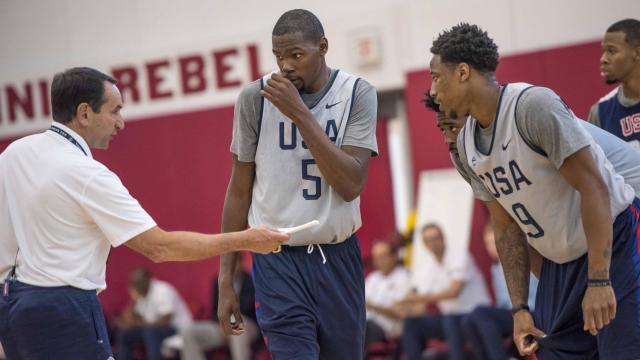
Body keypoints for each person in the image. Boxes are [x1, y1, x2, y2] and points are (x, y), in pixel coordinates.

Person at [0, 67, 288, 360]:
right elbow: (160, 247)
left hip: (11, 307)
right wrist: (246, 239)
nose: (121, 123)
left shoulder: (14, 153)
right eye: (115, 111)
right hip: (62, 307)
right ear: (84, 113)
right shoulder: (86, 173)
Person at [429, 23, 640, 359]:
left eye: (437, 76)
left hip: (612, 236)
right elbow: (507, 228)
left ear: (463, 72)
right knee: (554, 351)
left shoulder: (532, 106)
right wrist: (520, 308)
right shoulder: (465, 145)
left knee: (621, 351)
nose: (433, 89)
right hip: (561, 258)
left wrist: (599, 280)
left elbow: (594, 188)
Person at [218, 9, 378, 359]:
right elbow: (239, 190)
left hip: (337, 257)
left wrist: (301, 115)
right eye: (279, 56)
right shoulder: (254, 99)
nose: (286, 66)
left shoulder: (358, 93)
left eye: (296, 55)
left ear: (322, 47)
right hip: (277, 262)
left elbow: (351, 184)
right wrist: (226, 278)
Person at [398, 223, 490, 360]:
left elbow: (454, 292)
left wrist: (415, 298)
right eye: (428, 240)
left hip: (474, 313)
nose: (433, 243)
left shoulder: (459, 255)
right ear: (424, 244)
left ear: (443, 238)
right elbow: (422, 305)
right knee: (411, 323)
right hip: (449, 318)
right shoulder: (428, 267)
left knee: (449, 321)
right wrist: (403, 309)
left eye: (436, 238)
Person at [462, 224, 538, 360]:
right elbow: (502, 302)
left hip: (529, 312)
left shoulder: (522, 261)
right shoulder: (496, 268)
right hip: (510, 314)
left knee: (480, 313)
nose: (491, 248)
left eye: (493, 242)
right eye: (487, 244)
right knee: (468, 321)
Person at [173, 254, 259, 360]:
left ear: (241, 263)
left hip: (248, 326)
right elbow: (214, 310)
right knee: (189, 332)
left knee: (236, 324)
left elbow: (247, 309)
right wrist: (223, 326)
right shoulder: (218, 281)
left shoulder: (251, 281)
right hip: (221, 326)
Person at [115, 268, 193, 360]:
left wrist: (144, 325)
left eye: (139, 283)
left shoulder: (162, 290)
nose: (137, 287)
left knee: (150, 331)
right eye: (135, 284)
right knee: (124, 334)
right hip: (152, 329)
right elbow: (133, 317)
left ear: (148, 280)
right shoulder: (142, 294)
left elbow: (167, 319)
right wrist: (133, 301)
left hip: (177, 328)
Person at [588, 19, 640, 147]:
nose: (603, 59)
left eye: (611, 51)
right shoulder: (600, 112)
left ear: (637, 53)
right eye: (603, 51)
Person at [364, 241, 411, 346]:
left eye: (382, 257)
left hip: (386, 327)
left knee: (355, 331)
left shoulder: (404, 278)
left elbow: (399, 313)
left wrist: (372, 306)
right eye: (376, 258)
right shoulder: (373, 278)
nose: (378, 262)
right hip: (366, 321)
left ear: (394, 256)